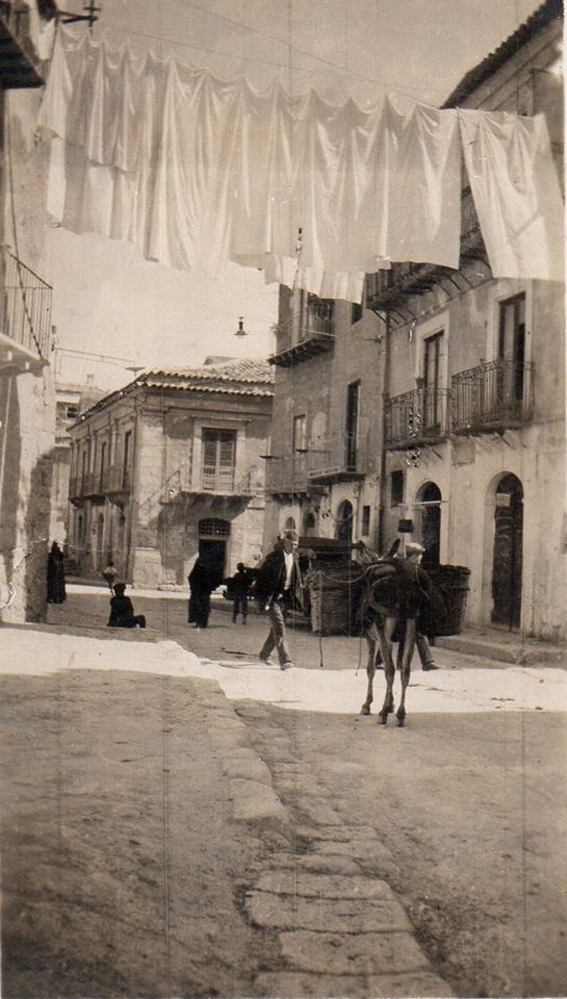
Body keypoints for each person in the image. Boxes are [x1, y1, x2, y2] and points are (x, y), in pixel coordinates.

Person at [254, 530, 303, 670]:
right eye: (292, 544)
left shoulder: (295, 557)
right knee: (280, 628)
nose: (294, 547)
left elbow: (295, 578)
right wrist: (259, 598)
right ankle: (285, 660)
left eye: (296, 544)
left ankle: (264, 654)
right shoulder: (274, 557)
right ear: (285, 542)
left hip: (285, 599)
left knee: (275, 629)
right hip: (272, 599)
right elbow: (261, 578)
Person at [188, 557, 220, 629]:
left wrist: (194, 587)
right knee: (203, 607)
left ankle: (199, 622)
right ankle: (202, 622)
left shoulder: (197, 570)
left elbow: (191, 578)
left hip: (198, 592)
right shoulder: (207, 570)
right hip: (203, 592)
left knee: (198, 606)